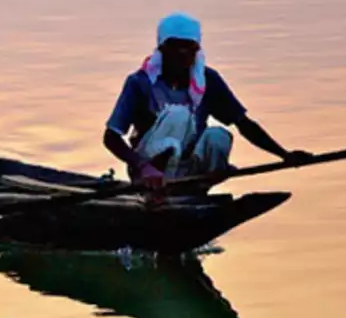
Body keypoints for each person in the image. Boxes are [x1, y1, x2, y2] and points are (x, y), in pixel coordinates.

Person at [103, 12, 310, 197]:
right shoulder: (140, 82)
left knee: (218, 136)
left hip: (189, 171)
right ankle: (156, 194)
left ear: (197, 49)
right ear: (162, 48)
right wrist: (143, 166)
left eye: (189, 47)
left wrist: (285, 155)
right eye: (175, 46)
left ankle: (197, 188)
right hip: (150, 172)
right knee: (178, 115)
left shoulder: (208, 80)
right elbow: (111, 136)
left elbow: (243, 123)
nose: (182, 53)